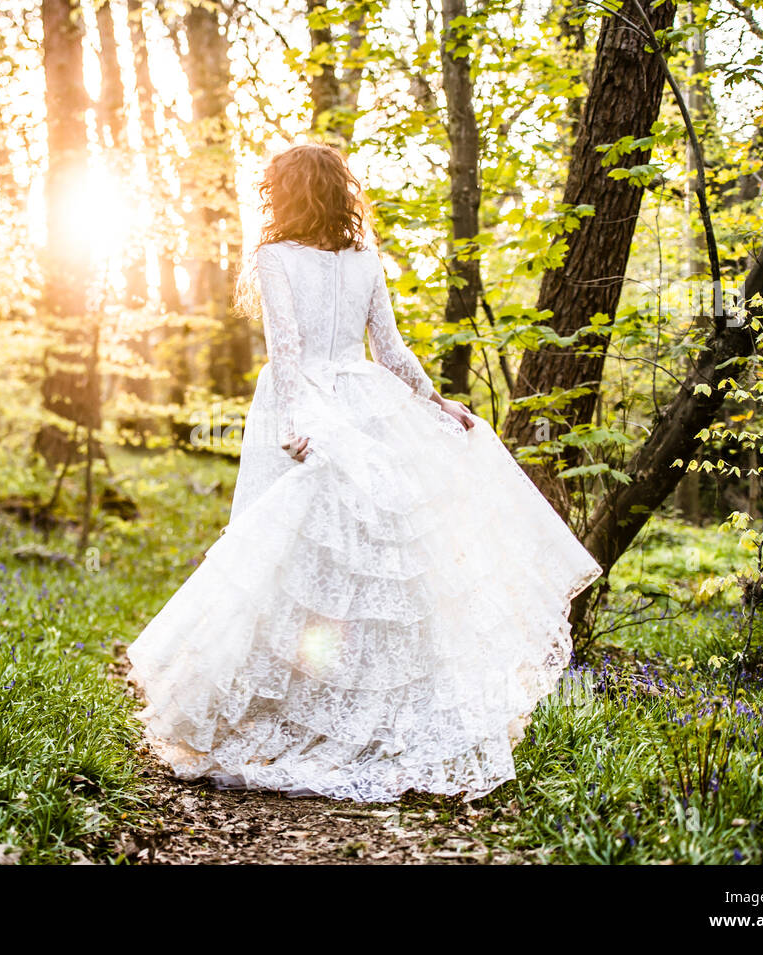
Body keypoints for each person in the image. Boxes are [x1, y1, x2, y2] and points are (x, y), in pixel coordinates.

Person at [127, 143, 602, 802]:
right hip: (365, 398)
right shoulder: (363, 259)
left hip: (305, 402)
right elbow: (393, 351)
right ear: (338, 193)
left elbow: (288, 349)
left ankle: (293, 712)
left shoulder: (274, 256)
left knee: (286, 557)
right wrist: (431, 401)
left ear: (287, 195)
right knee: (361, 560)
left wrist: (299, 424)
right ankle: (330, 706)